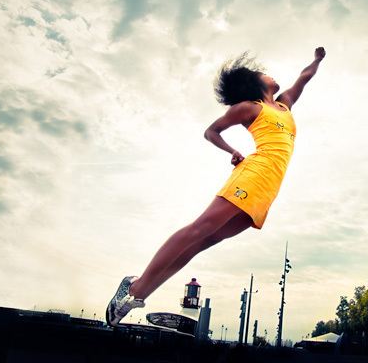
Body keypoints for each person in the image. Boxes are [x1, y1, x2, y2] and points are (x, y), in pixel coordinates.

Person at [106, 47, 326, 326]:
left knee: (206, 240)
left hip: (268, 188)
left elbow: (303, 78)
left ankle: (139, 291)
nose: (270, 74)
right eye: (264, 73)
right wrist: (231, 150)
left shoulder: (283, 105)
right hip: (253, 175)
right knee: (201, 229)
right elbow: (211, 131)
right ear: (254, 83)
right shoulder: (250, 108)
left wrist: (317, 60)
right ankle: (133, 291)